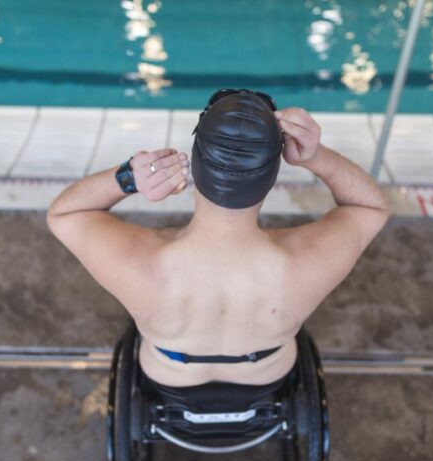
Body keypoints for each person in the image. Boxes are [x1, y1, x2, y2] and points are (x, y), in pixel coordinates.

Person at [47, 89, 388, 388]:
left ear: (194, 165)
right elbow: (370, 207)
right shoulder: (305, 263)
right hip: (266, 376)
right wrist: (318, 157)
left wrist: (129, 178)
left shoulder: (141, 264)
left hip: (170, 377)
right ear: (272, 176)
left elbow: (64, 214)